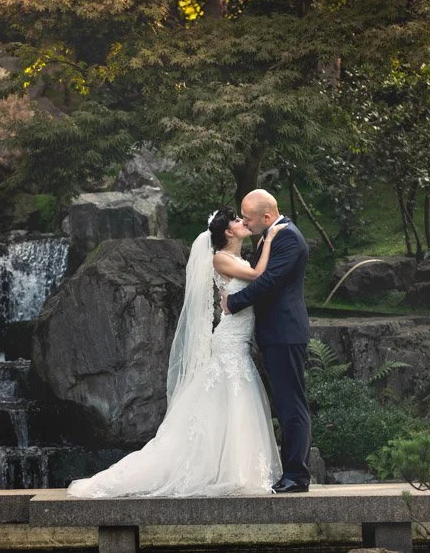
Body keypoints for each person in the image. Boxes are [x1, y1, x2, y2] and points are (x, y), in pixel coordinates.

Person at [66, 208, 285, 498]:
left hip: (239, 339)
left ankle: (235, 469)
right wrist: (270, 240)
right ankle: (229, 471)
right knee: (233, 396)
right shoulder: (221, 259)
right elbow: (258, 275)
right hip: (229, 340)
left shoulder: (239, 258)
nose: (242, 223)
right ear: (228, 232)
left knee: (232, 403)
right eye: (236, 221)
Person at [221, 189, 312, 494]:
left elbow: (269, 281)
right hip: (274, 334)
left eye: (247, 217)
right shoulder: (268, 236)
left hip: (285, 333)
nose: (244, 222)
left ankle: (297, 477)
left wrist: (233, 303)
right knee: (285, 405)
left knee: (291, 405)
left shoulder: (287, 238)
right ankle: (289, 473)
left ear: (267, 216)